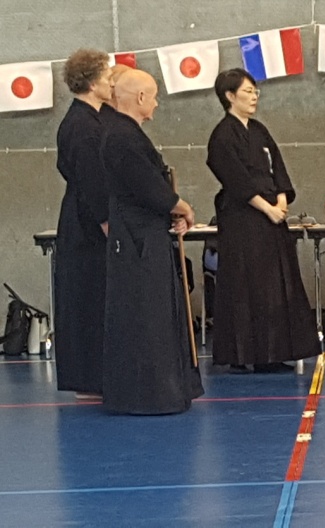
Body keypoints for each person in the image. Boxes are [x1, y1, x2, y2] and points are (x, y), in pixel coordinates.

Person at [100, 69, 203, 414]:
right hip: (137, 239)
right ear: (141, 97)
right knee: (145, 314)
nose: (157, 104)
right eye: (154, 96)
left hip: (146, 231)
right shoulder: (121, 136)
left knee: (155, 311)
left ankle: (163, 391)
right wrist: (181, 206)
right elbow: (147, 186)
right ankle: (148, 395)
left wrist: (171, 211)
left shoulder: (126, 133)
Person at [206, 68, 319, 373]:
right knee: (247, 286)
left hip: (272, 218)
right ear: (230, 96)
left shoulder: (259, 130)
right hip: (243, 218)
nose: (254, 97)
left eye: (255, 91)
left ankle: (273, 353)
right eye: (247, 92)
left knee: (276, 285)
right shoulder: (222, 136)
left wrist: (281, 201)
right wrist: (266, 208)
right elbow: (235, 179)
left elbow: (277, 168)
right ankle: (244, 355)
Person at [54, 49, 114, 400]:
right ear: (92, 83)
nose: (111, 83)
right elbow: (93, 180)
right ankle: (90, 381)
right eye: (107, 77)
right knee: (89, 299)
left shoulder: (92, 119)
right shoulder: (82, 125)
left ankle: (98, 378)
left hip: (85, 216)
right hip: (87, 225)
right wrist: (107, 222)